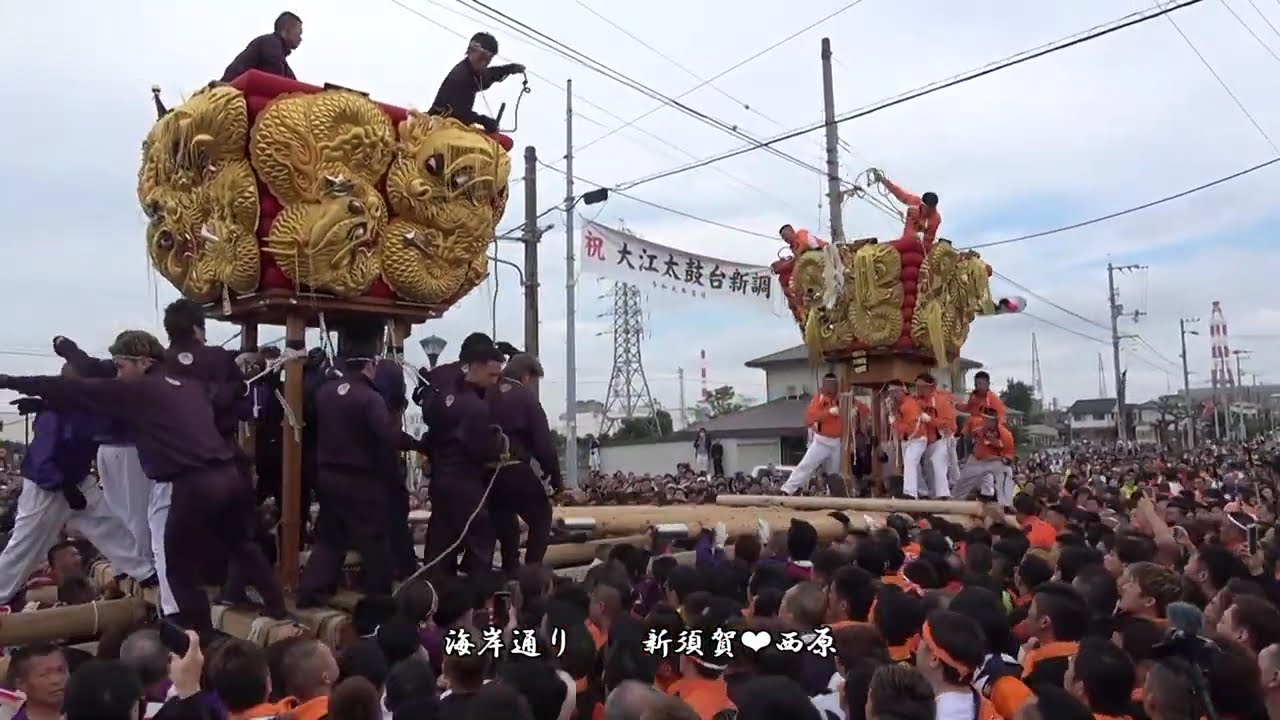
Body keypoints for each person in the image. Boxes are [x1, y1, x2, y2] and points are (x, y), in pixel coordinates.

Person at [0, 330, 287, 631]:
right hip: (225, 478)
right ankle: (278, 608)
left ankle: (180, 625)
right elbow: (231, 393)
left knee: (169, 558)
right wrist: (257, 384)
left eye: (121, 367)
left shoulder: (137, 391)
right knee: (240, 546)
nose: (117, 375)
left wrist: (10, 382)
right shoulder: (189, 385)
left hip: (183, 484)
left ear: (143, 362)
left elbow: (79, 394)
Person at [0, 361, 155, 608]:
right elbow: (43, 460)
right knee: (25, 546)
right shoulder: (57, 414)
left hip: (76, 479)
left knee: (107, 524)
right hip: (47, 487)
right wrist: (66, 487)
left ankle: (144, 572)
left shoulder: (80, 404)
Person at [297, 325, 425, 606]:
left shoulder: (326, 392)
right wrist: (418, 444)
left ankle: (310, 592)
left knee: (330, 539)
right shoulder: (370, 397)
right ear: (371, 364)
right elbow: (388, 435)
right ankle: (379, 599)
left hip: (328, 477)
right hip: (359, 480)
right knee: (374, 540)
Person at [421, 341, 507, 575]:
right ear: (476, 367)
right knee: (481, 539)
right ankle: (481, 599)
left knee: (440, 543)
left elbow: (431, 431)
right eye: (492, 374)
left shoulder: (442, 396)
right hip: (465, 482)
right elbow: (481, 449)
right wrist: (498, 445)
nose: (495, 381)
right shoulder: (475, 407)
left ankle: (433, 593)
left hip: (440, 481)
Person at [487, 353, 561, 575]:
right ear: (527, 376)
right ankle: (532, 571)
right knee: (541, 516)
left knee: (505, 521)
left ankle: (510, 569)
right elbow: (543, 444)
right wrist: (555, 476)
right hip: (514, 467)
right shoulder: (525, 398)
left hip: (486, 475)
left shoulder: (487, 393)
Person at [781, 374, 865, 496]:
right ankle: (787, 490)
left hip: (837, 442)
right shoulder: (817, 399)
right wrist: (828, 412)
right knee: (806, 465)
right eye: (830, 385)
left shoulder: (844, 398)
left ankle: (835, 496)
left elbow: (864, 409)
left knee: (834, 474)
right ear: (824, 385)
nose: (832, 388)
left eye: (834, 385)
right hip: (822, 441)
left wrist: (856, 411)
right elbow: (809, 419)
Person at [429, 32, 526, 134]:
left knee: (505, 142)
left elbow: (489, 75)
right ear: (471, 51)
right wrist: (483, 120)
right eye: (482, 57)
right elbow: (460, 113)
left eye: (489, 59)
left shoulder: (473, 72)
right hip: (443, 124)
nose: (484, 63)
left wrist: (509, 69)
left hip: (458, 124)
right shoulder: (461, 75)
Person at [954, 408, 1014, 504]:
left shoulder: (1006, 435)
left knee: (1006, 471)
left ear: (995, 421)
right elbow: (967, 442)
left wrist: (996, 447)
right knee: (961, 483)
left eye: (989, 419)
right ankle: (955, 503)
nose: (985, 421)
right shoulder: (978, 431)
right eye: (984, 419)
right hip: (976, 461)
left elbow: (1009, 456)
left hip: (994, 461)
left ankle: (1006, 503)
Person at [221, 11, 302, 82]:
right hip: (229, 91)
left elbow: (292, 81)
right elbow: (276, 79)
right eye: (299, 33)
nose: (300, 38)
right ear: (288, 29)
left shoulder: (280, 59)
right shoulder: (271, 43)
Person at [872, 170, 941, 251]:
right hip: (905, 241)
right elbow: (898, 193)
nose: (927, 211)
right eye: (926, 208)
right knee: (882, 249)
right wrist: (883, 180)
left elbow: (928, 241)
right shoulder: (915, 202)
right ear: (922, 204)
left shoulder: (935, 219)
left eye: (930, 209)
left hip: (918, 248)